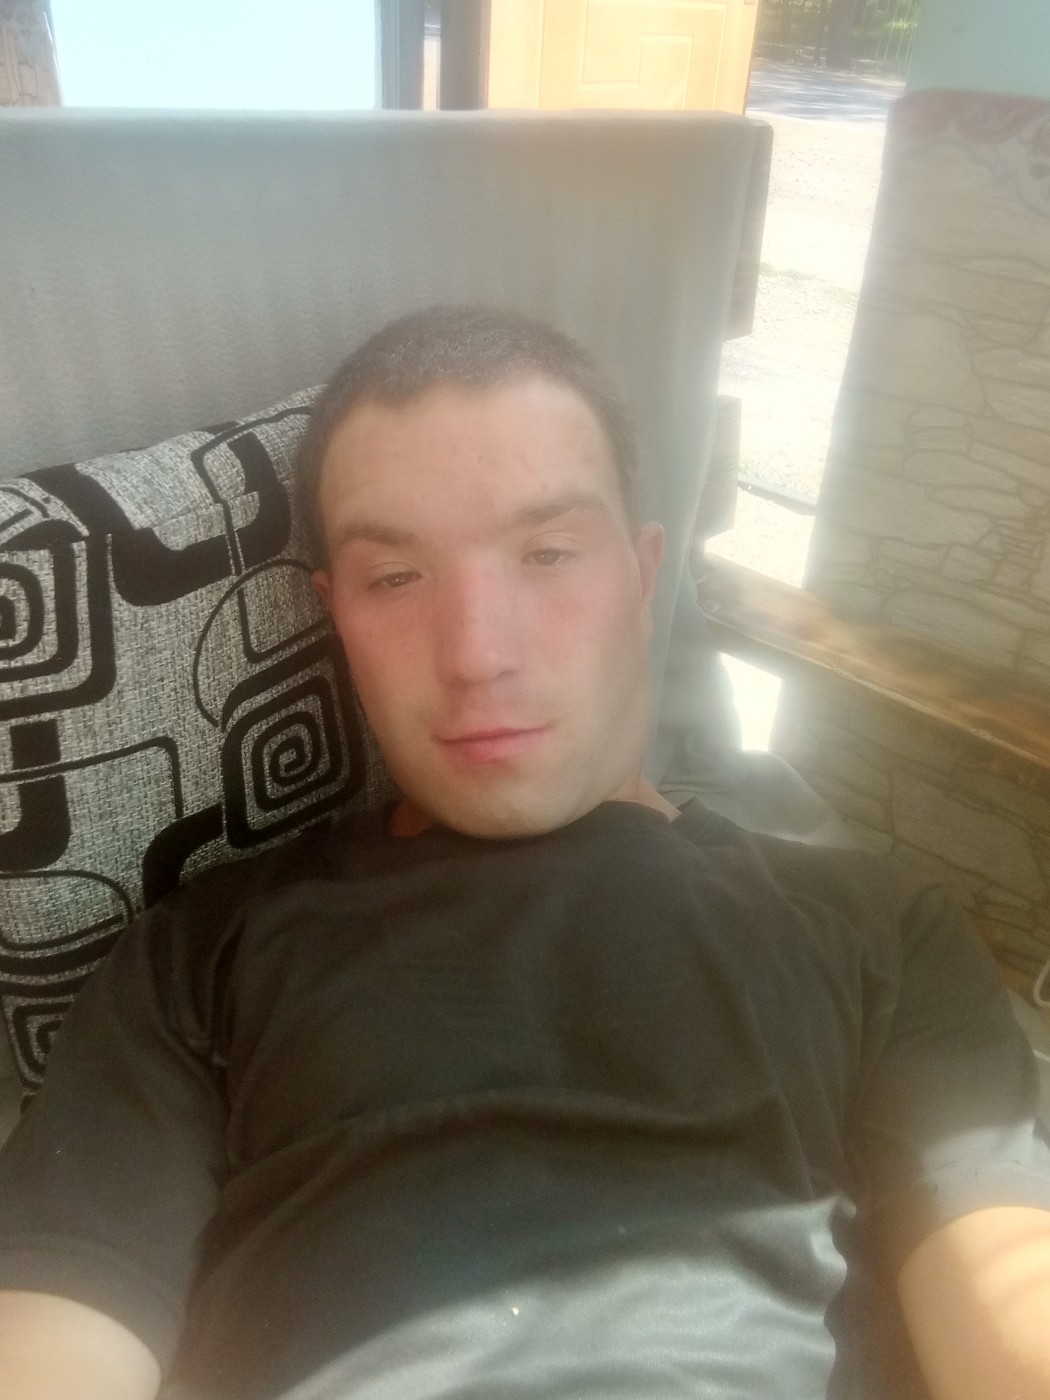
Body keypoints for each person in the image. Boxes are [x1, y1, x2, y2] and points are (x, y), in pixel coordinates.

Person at [0, 306, 1048, 1400]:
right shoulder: (198, 954)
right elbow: (51, 1342)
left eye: (547, 553)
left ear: (642, 576)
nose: (477, 654)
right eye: (394, 577)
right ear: (332, 613)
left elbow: (1009, 1311)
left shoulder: (880, 929)